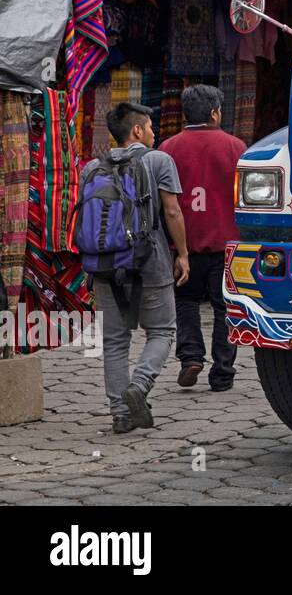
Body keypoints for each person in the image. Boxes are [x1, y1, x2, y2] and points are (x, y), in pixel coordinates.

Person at [87, 102, 189, 434]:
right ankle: (139, 386)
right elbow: (172, 212)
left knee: (115, 340)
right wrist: (183, 254)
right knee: (161, 330)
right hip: (150, 260)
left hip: (103, 263)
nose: (154, 133)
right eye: (150, 127)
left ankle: (120, 414)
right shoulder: (159, 160)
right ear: (137, 130)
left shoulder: (92, 167)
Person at [159, 84, 246, 392]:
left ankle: (190, 357)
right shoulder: (235, 147)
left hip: (184, 245)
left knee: (184, 301)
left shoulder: (168, 148)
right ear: (213, 113)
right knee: (225, 309)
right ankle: (223, 373)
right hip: (226, 247)